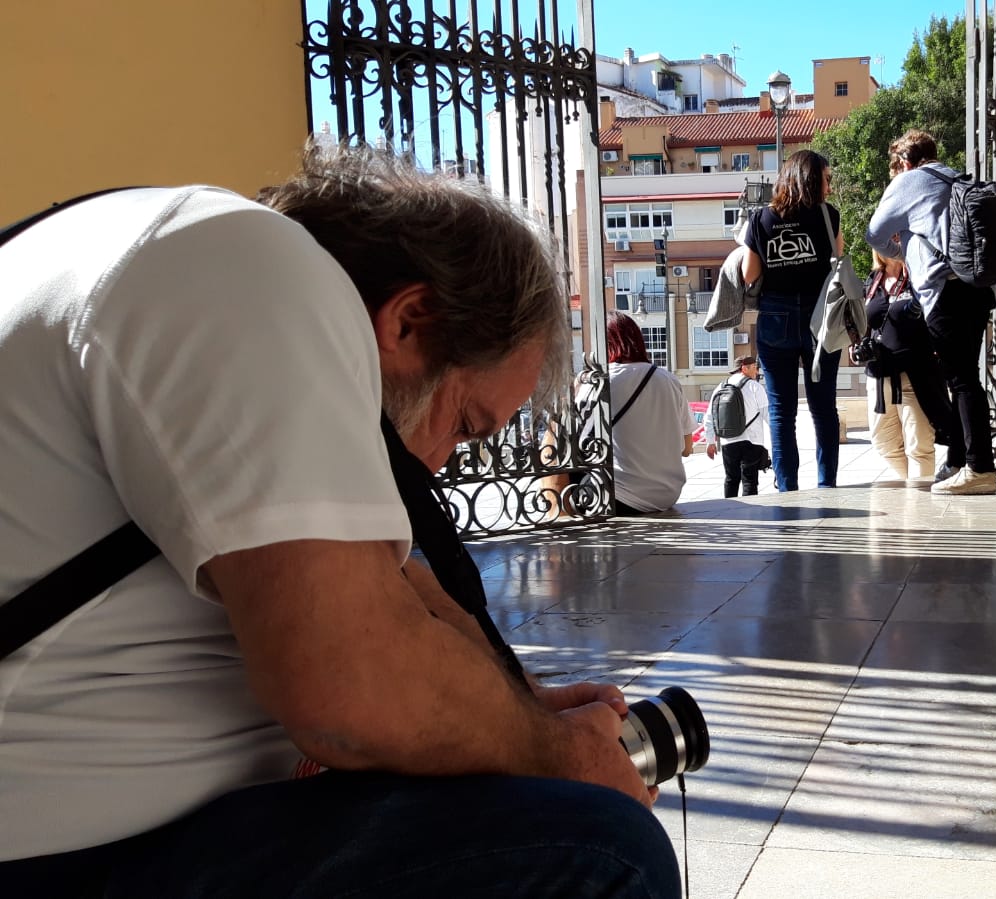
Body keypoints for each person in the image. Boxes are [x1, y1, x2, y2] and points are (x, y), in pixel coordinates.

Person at [0, 145, 677, 897]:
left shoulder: (179, 256)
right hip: (57, 851)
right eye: (463, 425)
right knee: (601, 851)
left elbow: (397, 600)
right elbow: (350, 684)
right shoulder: (253, 270)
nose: (440, 464)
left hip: (103, 825)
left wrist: (522, 709)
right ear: (409, 321)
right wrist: (560, 757)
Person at [865, 129, 996, 496]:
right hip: (978, 288)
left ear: (904, 162)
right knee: (964, 376)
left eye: (896, 167)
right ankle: (957, 461)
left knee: (962, 380)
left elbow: (874, 234)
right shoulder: (956, 178)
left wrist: (902, 251)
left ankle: (980, 468)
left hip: (944, 291)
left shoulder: (908, 181)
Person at [740, 149, 844, 492]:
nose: (829, 187)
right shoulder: (828, 216)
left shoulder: (761, 219)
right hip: (820, 318)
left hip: (775, 317)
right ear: (812, 181)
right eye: (826, 179)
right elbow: (838, 260)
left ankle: (787, 489)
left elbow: (749, 274)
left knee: (782, 412)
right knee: (823, 408)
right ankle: (827, 484)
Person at [859, 249, 942, 480]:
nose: (892, 240)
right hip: (878, 375)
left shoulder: (918, 275)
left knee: (919, 445)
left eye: (897, 235)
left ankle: (918, 497)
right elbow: (867, 323)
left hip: (915, 373)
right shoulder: (873, 280)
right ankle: (910, 488)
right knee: (884, 443)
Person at [604, 311, 696, 515]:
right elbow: (687, 448)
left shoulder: (601, 381)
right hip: (667, 495)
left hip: (620, 496)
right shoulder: (668, 379)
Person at [704, 355, 770, 497]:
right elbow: (768, 414)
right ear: (744, 368)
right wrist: (779, 438)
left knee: (731, 479)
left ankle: (730, 507)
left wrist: (710, 442)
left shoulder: (720, 387)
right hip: (752, 440)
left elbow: (709, 416)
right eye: (754, 368)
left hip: (728, 441)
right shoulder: (755, 386)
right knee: (749, 480)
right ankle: (750, 509)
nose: (757, 372)